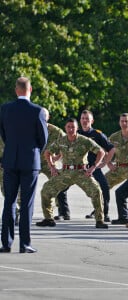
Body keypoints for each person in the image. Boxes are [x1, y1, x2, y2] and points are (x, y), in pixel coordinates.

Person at [0, 77, 48, 253]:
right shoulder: (37, 111)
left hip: (10, 160)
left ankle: (6, 243)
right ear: (31, 89)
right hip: (30, 161)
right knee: (27, 203)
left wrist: (13, 147)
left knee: (9, 202)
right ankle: (25, 243)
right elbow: (43, 139)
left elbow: (3, 134)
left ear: (16, 90)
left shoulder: (5, 109)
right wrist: (33, 150)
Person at [35, 118, 108, 229]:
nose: (70, 129)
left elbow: (101, 152)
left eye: (73, 127)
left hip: (81, 172)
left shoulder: (84, 140)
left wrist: (93, 167)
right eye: (68, 127)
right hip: (65, 172)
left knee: (96, 191)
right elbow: (47, 152)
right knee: (46, 190)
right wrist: (52, 167)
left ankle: (100, 220)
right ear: (65, 128)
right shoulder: (61, 140)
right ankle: (48, 219)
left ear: (77, 128)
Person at [57, 110, 115, 222]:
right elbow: (64, 146)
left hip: (92, 168)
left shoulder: (97, 135)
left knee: (104, 186)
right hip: (76, 168)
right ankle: (64, 212)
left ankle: (104, 213)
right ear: (80, 120)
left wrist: (104, 163)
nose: (84, 121)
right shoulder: (75, 133)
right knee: (60, 187)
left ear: (92, 121)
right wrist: (57, 158)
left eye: (87, 119)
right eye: (83, 118)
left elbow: (111, 149)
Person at [41, 108, 69, 221]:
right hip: (35, 162)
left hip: (50, 163)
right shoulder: (31, 128)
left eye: (45, 116)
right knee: (24, 184)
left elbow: (66, 144)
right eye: (40, 115)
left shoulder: (56, 131)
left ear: (48, 117)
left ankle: (63, 212)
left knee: (58, 184)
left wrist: (57, 157)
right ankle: (22, 211)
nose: (42, 118)